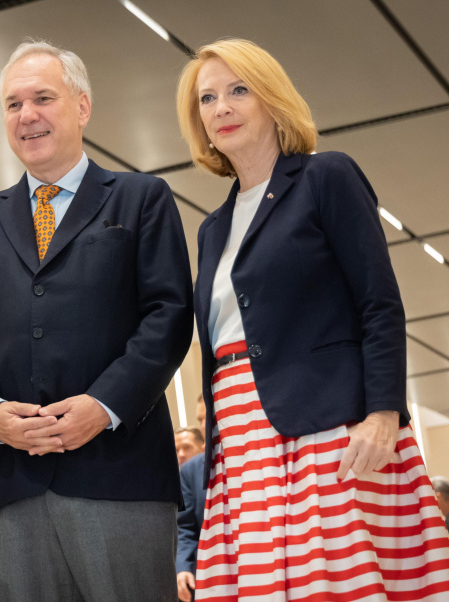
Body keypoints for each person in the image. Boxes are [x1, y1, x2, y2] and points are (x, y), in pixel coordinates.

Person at [176, 38, 449, 600]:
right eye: (206, 99)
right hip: (241, 438)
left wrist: (383, 413)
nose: (220, 107)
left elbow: (379, 303)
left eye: (237, 90)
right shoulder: (212, 228)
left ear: (272, 99)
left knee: (339, 584)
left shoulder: (327, 178)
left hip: (327, 425)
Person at [0, 40, 194, 602]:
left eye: (42, 98)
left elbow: (169, 317)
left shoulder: (141, 198)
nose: (26, 115)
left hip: (120, 476)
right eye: (12, 104)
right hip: (11, 487)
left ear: (82, 107)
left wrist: (101, 409)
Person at [176, 397, 207, 602]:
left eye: (186, 447)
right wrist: (183, 567)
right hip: (208, 568)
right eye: (200, 419)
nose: (180, 454)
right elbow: (185, 528)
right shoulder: (189, 471)